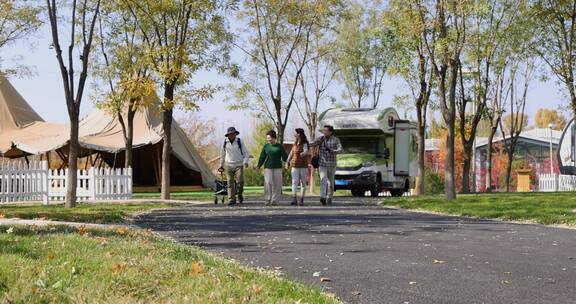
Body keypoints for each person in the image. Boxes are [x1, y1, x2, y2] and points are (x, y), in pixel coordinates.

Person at [310, 125, 342, 205]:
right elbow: (313, 143)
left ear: (330, 132)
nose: (324, 132)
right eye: (323, 130)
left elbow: (340, 150)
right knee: (323, 179)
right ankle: (323, 197)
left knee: (331, 183)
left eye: (326, 131)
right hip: (322, 164)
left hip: (332, 164)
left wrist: (332, 151)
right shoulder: (321, 139)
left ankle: (329, 197)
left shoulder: (336, 140)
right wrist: (305, 143)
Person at [219, 127, 250, 205]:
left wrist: (245, 162)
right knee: (229, 183)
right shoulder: (225, 142)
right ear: (228, 135)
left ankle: (239, 194)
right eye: (230, 134)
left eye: (233, 134)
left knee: (240, 181)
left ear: (235, 134)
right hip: (228, 165)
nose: (232, 135)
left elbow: (246, 153)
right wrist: (221, 165)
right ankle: (231, 199)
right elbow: (222, 155)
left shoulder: (239, 141)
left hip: (239, 165)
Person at [257, 130, 288, 206]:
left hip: (278, 167)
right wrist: (258, 166)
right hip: (268, 167)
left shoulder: (279, 146)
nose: (268, 139)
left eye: (269, 138)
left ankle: (275, 200)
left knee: (277, 184)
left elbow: (285, 157)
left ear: (274, 137)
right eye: (267, 138)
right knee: (268, 183)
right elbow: (262, 157)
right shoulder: (266, 146)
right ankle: (267, 199)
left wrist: (287, 162)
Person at [286, 128, 309, 206]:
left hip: (303, 166)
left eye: (295, 133)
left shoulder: (305, 143)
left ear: (299, 134)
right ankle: (294, 198)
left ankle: (302, 199)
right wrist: (287, 161)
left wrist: (303, 153)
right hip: (294, 165)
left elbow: (306, 150)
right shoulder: (294, 143)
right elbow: (291, 153)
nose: (294, 134)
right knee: (294, 182)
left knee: (303, 183)